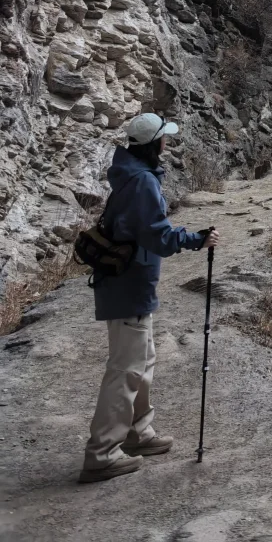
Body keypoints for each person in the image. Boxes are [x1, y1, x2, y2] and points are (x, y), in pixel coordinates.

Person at [79, 113, 220, 484]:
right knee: (126, 368)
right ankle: (102, 453)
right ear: (153, 144)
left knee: (143, 360)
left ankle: (137, 434)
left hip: (130, 284)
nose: (167, 145)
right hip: (129, 285)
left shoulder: (131, 176)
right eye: (164, 139)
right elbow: (156, 236)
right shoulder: (142, 182)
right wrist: (196, 239)